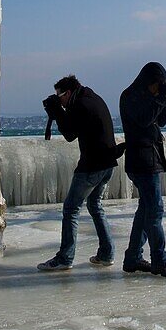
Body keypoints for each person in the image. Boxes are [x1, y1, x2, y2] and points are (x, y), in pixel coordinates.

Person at [37, 75, 121, 272]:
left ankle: (65, 257)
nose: (60, 102)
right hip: (107, 163)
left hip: (93, 165)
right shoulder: (94, 99)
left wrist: (57, 111)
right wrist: (60, 110)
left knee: (71, 209)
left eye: (60, 97)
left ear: (68, 93)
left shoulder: (81, 105)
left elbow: (69, 134)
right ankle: (106, 254)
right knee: (94, 205)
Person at [120, 61, 166, 277]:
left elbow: (161, 121)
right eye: (158, 84)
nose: (159, 88)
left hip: (151, 158)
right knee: (155, 211)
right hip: (141, 160)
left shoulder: (149, 96)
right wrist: (161, 98)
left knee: (146, 211)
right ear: (149, 81)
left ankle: (133, 258)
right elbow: (145, 120)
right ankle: (159, 260)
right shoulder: (130, 96)